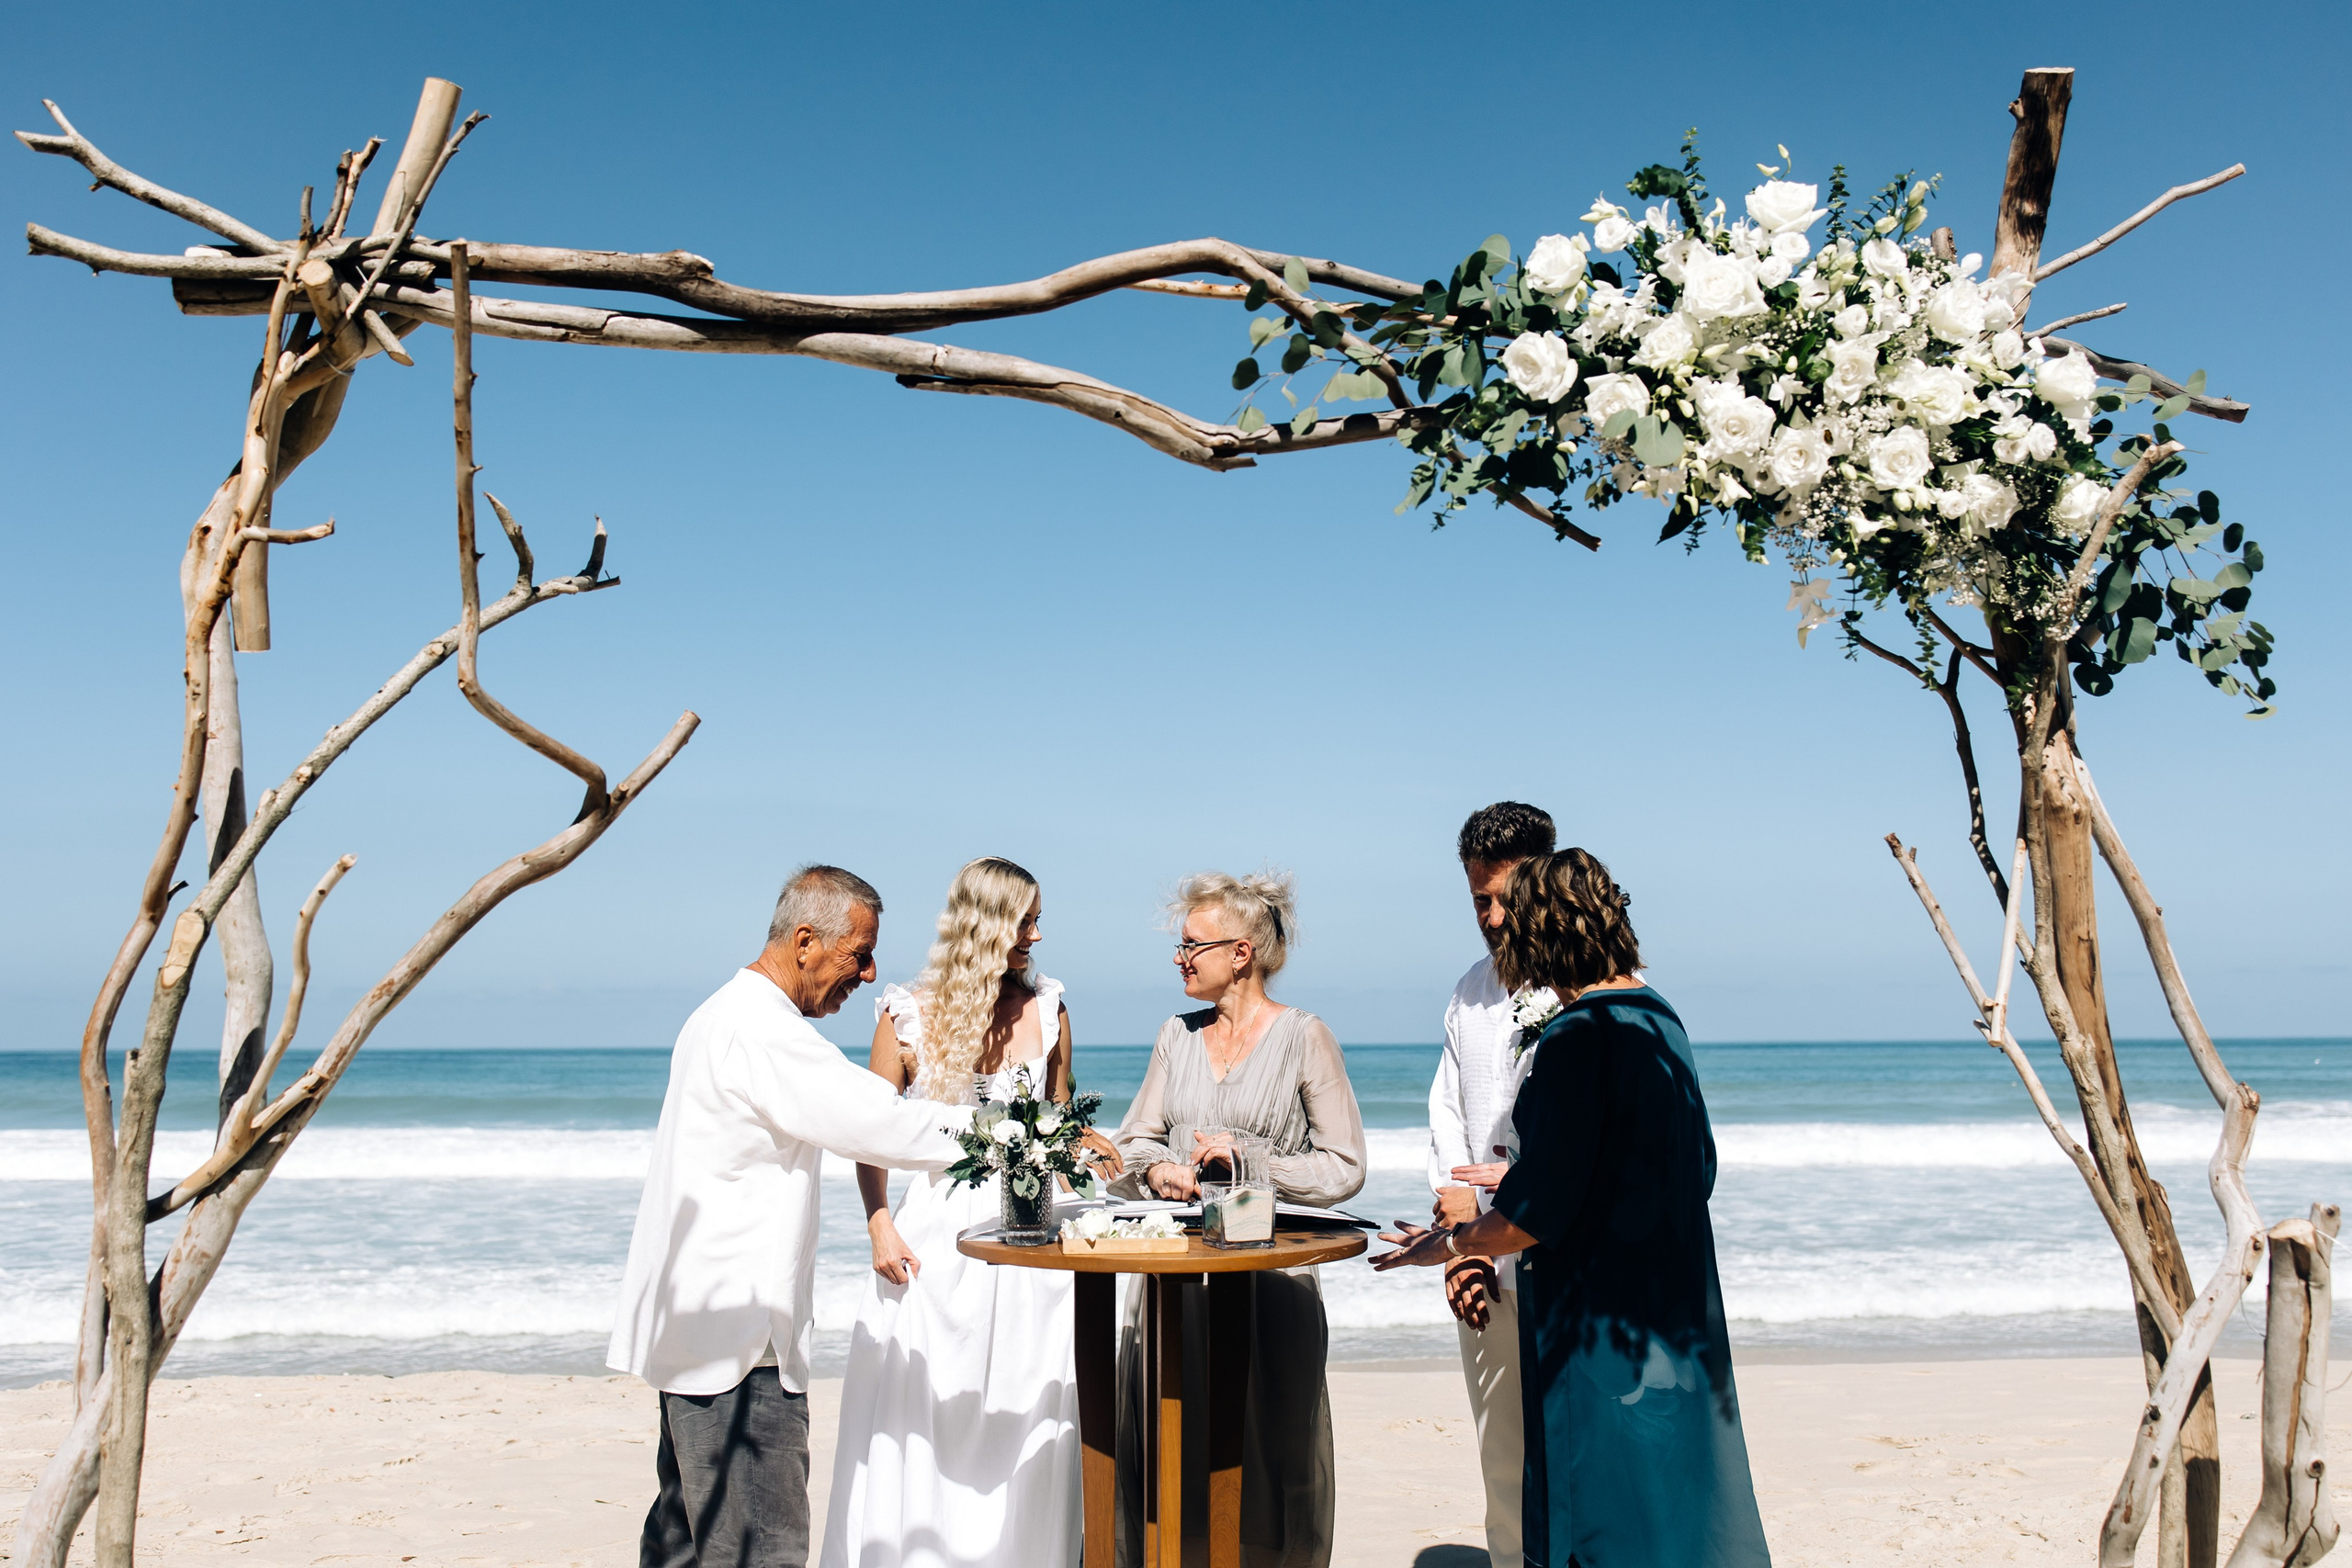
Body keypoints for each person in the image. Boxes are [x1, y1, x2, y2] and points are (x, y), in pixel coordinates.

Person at [1373, 849, 1772, 1568]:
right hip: (1672, 1306)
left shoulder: (1576, 1036)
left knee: (1598, 1511)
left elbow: (1535, 1213)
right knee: (1675, 1501)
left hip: (1596, 1324)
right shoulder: (1659, 1019)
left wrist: (1454, 1244)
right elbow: (1694, 1164)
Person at [609, 865, 974, 1568]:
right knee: (760, 1551)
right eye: (857, 953)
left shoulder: (722, 1013)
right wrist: (1008, 1133)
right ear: (805, 940)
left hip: (697, 1332)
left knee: (683, 1545)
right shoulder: (762, 1028)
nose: (868, 974)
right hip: (740, 1350)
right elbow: (878, 1122)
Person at [823, 857, 1119, 1568]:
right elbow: (872, 1132)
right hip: (938, 1233)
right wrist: (878, 1222)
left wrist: (1086, 1138)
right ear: (987, 925)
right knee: (933, 1404)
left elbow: (1058, 1111)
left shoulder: (1050, 1007)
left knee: (1034, 1397)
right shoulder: (909, 1011)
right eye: (1026, 920)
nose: (1037, 936)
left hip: (1037, 1227)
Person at [1109, 871, 1367, 1568]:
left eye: (1192, 944)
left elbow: (1344, 1166)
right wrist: (1157, 1168)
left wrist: (1252, 1160)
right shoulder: (1176, 1034)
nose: (1179, 957)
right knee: (1171, 1457)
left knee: (1273, 1466)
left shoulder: (1306, 1036)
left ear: (1242, 952)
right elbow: (1134, 1140)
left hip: (1270, 1282)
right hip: (1173, 1283)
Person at [1426, 801, 1557, 1568]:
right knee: (1501, 1457)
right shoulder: (1468, 992)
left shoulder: (1595, 985)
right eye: (1480, 897)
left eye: (1507, 894)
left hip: (1570, 1259)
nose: (1495, 913)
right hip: (1485, 1262)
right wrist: (1461, 1249)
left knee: (1574, 1458)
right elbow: (1447, 1116)